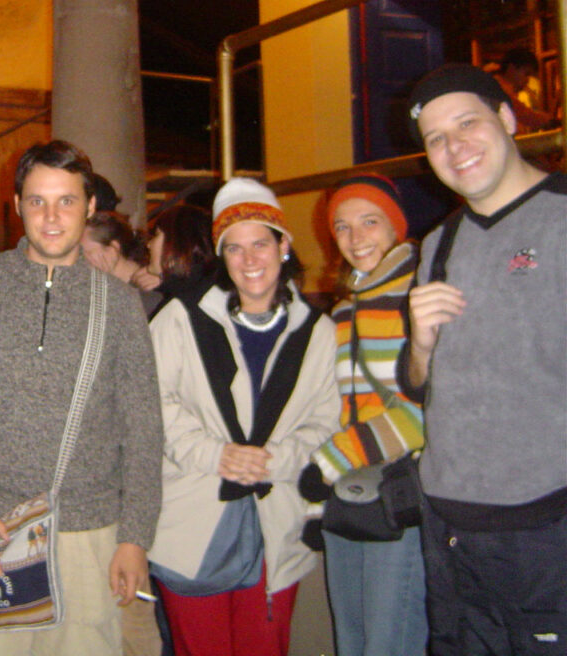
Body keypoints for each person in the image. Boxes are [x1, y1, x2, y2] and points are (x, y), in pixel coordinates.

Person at [0, 140, 164, 654]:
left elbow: (142, 431)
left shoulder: (119, 308)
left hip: (87, 541)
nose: (51, 217)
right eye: (37, 201)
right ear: (16, 204)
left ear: (91, 206)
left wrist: (135, 537)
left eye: (67, 201)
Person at [401, 63, 567, 655]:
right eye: (436, 139)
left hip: (546, 526)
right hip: (448, 523)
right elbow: (420, 387)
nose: (454, 146)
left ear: (506, 117)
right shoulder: (439, 242)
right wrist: (420, 346)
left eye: (467, 123)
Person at [147, 177, 339, 656]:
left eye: (261, 244)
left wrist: (274, 460)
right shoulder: (180, 318)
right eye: (235, 248)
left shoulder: (318, 331)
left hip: (276, 522)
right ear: (220, 255)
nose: (250, 259)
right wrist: (216, 454)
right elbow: (153, 402)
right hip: (193, 517)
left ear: (284, 245)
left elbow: (326, 420)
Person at [301, 174, 427, 656]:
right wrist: (318, 507)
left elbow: (423, 410)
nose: (356, 239)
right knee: (349, 639)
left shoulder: (417, 300)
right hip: (343, 493)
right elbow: (332, 409)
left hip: (400, 492)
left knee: (389, 642)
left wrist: (329, 461)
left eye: (369, 222)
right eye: (343, 227)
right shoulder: (340, 312)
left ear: (395, 227)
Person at [144, 204, 217, 319]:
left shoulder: (181, 307)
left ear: (176, 243)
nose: (149, 245)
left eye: (156, 235)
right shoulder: (203, 292)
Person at [491, 48, 557, 132]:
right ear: (511, 69)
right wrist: (549, 121)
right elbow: (523, 114)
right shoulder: (498, 90)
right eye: (526, 74)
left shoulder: (501, 89)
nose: (527, 80)